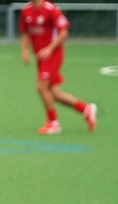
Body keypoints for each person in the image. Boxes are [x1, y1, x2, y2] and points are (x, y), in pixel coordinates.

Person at [19, 0, 96, 134]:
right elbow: (26, 32)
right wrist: (25, 50)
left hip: (53, 54)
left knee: (41, 88)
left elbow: (64, 32)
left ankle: (53, 123)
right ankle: (86, 109)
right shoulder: (26, 10)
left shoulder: (51, 9)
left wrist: (49, 48)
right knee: (53, 93)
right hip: (41, 57)